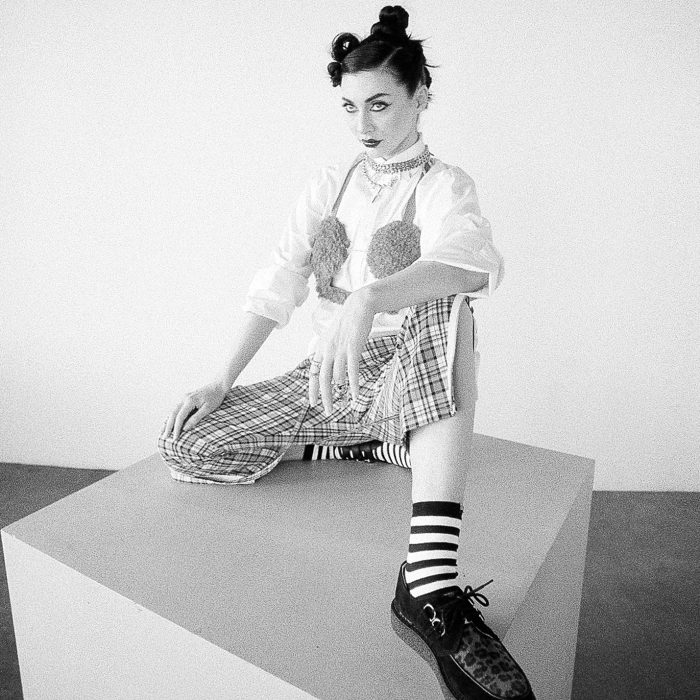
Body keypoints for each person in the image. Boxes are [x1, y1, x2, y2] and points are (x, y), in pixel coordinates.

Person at [158, 6, 534, 699]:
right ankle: (373, 444)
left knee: (450, 305)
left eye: (381, 103)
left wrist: (369, 299)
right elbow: (279, 282)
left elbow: (475, 262)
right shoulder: (329, 182)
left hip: (405, 370)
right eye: (351, 107)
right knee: (187, 442)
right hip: (330, 380)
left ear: (421, 97)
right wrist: (221, 378)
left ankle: (428, 586)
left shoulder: (445, 185)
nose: (364, 123)